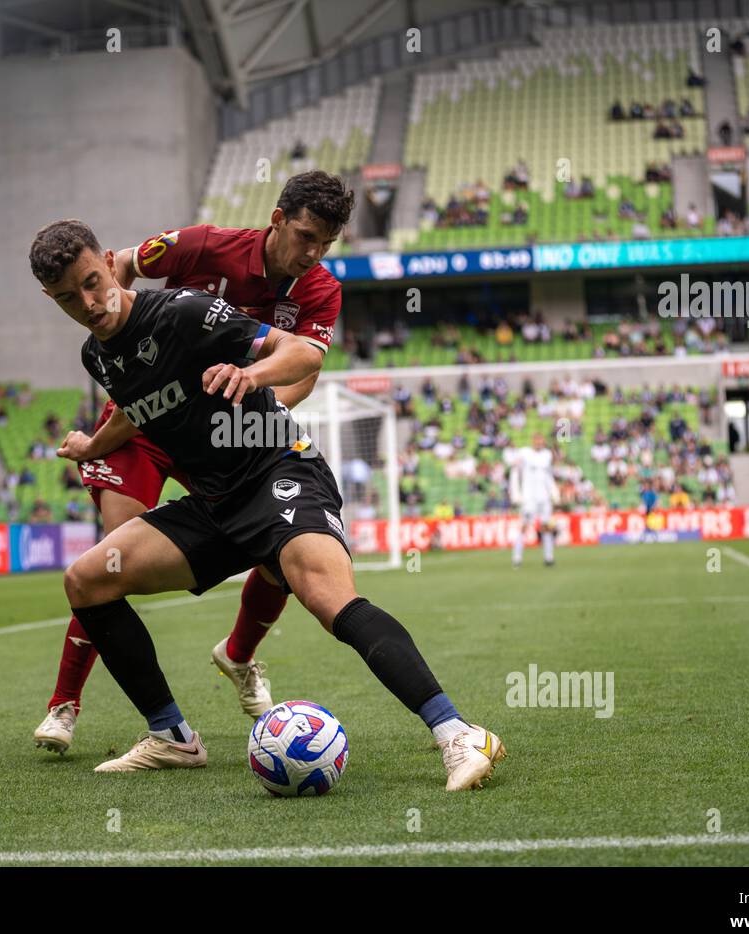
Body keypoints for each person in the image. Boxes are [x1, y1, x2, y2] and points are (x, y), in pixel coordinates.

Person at [30, 219, 506, 792]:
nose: (88, 303)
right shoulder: (98, 356)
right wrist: (91, 444)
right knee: (87, 579)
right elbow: (136, 409)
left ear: (110, 263)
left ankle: (457, 732)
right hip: (213, 505)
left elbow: (299, 351)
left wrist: (250, 372)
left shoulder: (183, 312)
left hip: (277, 470)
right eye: (66, 298)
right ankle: (172, 737)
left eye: (91, 282)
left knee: (327, 598)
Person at [34, 171, 352, 754]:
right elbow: (122, 266)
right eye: (305, 235)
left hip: (230, 425)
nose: (312, 253)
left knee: (281, 544)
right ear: (278, 219)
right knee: (111, 561)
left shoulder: (321, 292)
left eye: (325, 243)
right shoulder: (202, 245)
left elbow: (304, 368)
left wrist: (244, 412)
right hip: (145, 416)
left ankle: (238, 656)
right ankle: (66, 703)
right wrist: (114, 347)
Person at [509, 432, 559, 568]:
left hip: (544, 498)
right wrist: (515, 492)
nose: (539, 443)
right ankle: (517, 558)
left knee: (547, 527)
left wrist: (554, 492)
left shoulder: (547, 455)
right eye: (537, 440)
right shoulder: (524, 453)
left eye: (541, 440)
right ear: (533, 441)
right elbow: (514, 469)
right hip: (528, 498)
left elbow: (550, 474)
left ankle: (549, 558)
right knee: (524, 527)